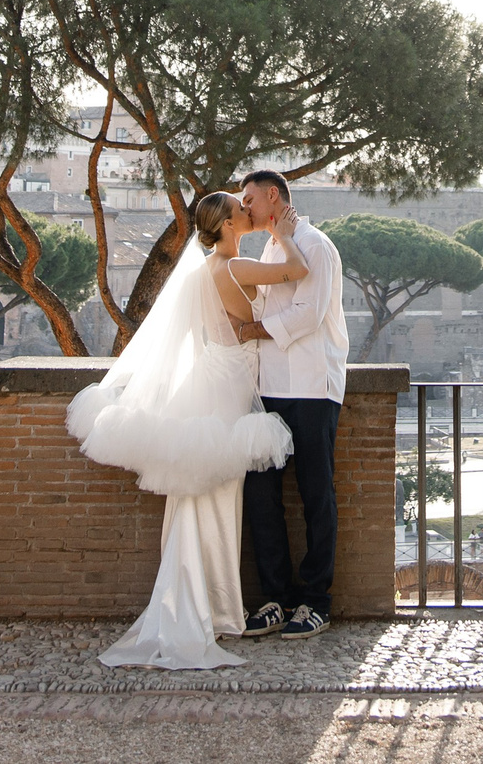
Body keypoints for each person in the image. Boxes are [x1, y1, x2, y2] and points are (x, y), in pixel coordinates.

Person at [66, 191, 306, 669]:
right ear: (229, 226)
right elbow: (297, 271)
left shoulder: (204, 271)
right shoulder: (234, 268)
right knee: (216, 497)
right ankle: (211, 609)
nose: (249, 211)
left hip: (213, 382)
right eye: (242, 210)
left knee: (195, 498)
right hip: (230, 387)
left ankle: (203, 605)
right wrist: (284, 234)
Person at [231, 169, 349, 640]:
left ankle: (317, 600)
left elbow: (307, 314)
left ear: (273, 196)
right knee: (263, 495)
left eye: (250, 199)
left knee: (316, 494)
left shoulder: (315, 244)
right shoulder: (271, 247)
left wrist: (253, 331)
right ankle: (275, 597)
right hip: (270, 386)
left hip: (313, 386)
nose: (246, 208)